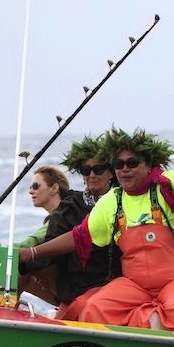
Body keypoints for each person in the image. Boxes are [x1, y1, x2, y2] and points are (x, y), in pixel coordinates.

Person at [19, 126, 174, 330]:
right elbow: (79, 236)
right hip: (136, 286)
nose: (125, 169)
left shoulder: (166, 185)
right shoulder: (112, 200)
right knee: (93, 309)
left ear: (148, 165)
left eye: (132, 163)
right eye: (119, 164)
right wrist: (32, 252)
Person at [30, 134, 121, 321]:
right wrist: (27, 257)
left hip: (116, 284)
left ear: (111, 172)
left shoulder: (124, 202)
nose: (92, 175)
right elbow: (51, 242)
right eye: (86, 170)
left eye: (98, 169)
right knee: (24, 264)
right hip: (76, 284)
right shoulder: (70, 205)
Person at [16, 165, 71, 304]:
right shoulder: (63, 215)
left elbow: (27, 244)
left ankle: (5, 305)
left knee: (25, 264)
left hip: (73, 282)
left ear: (54, 188)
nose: (30, 191)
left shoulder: (61, 218)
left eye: (36, 186)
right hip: (66, 278)